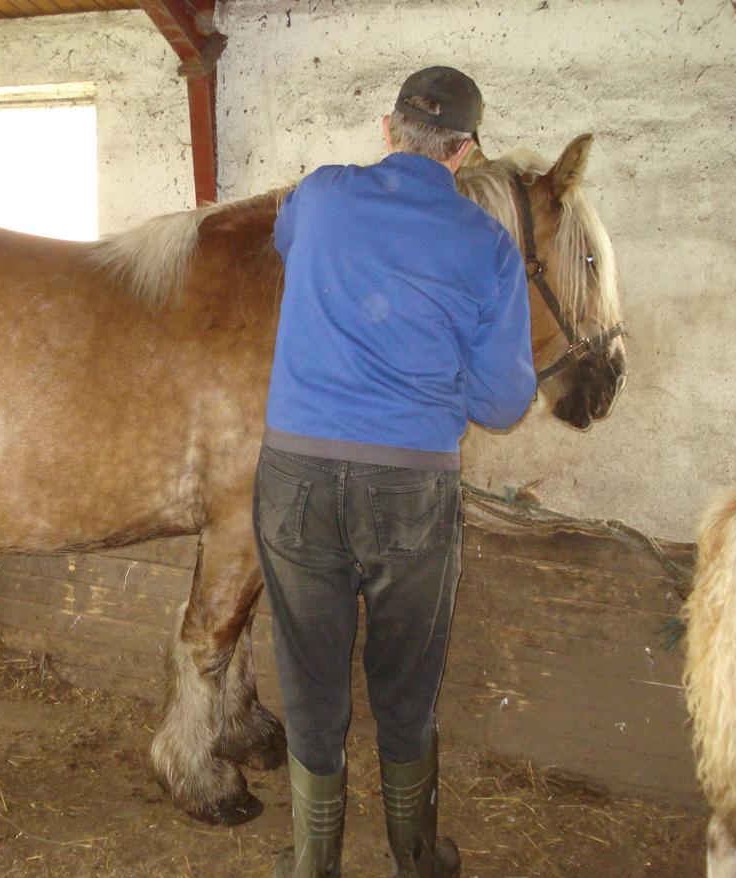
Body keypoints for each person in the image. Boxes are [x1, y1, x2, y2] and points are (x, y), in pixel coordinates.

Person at [254, 66, 537, 878]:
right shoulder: (488, 247)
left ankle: (314, 863)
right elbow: (502, 401)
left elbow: (286, 242)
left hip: (297, 472)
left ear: (389, 128)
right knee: (407, 681)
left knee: (311, 674)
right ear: (465, 150)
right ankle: (416, 858)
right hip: (411, 486)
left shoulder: (322, 194)